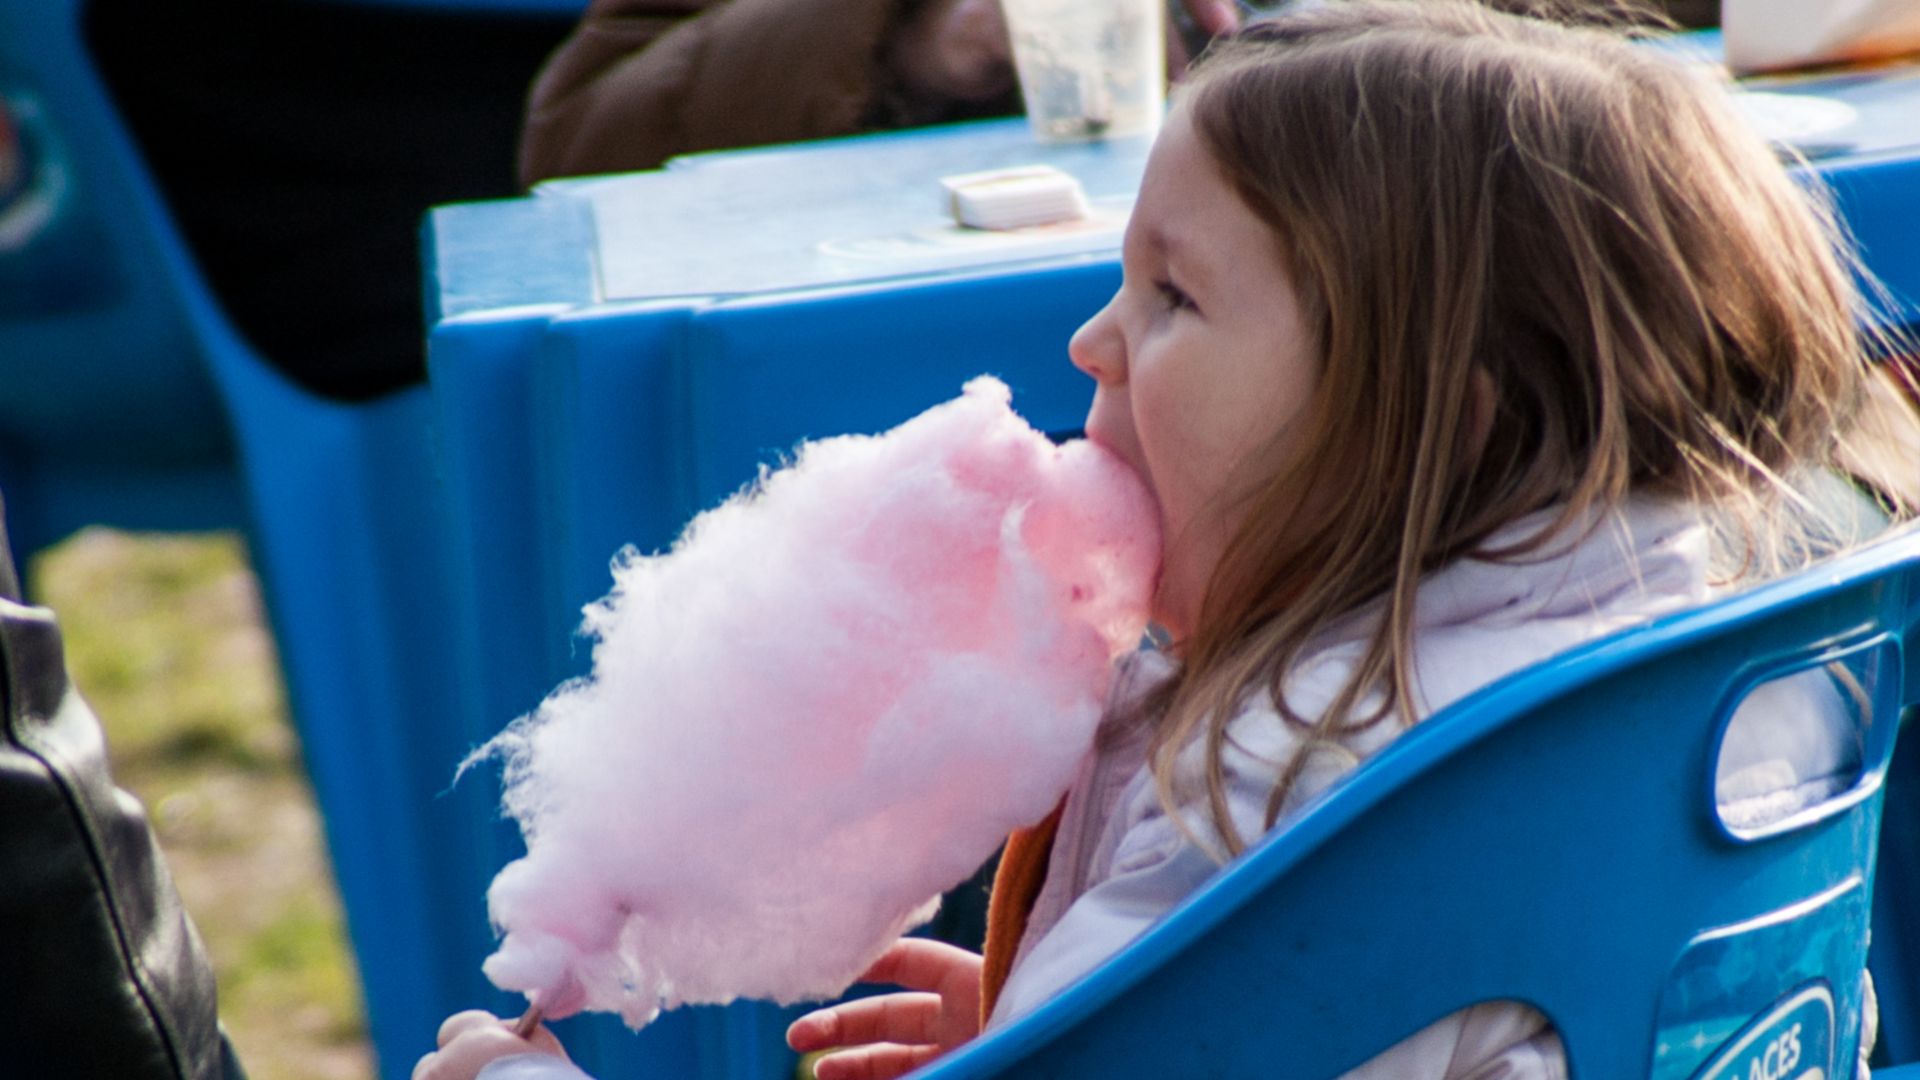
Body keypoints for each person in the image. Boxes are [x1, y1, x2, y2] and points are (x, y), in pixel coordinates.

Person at [416, 2, 1920, 1078]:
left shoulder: (1295, 790)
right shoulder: (1732, 655)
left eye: (1171, 299)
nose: (1090, 342)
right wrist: (1087, 1020)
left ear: (1437, 421)